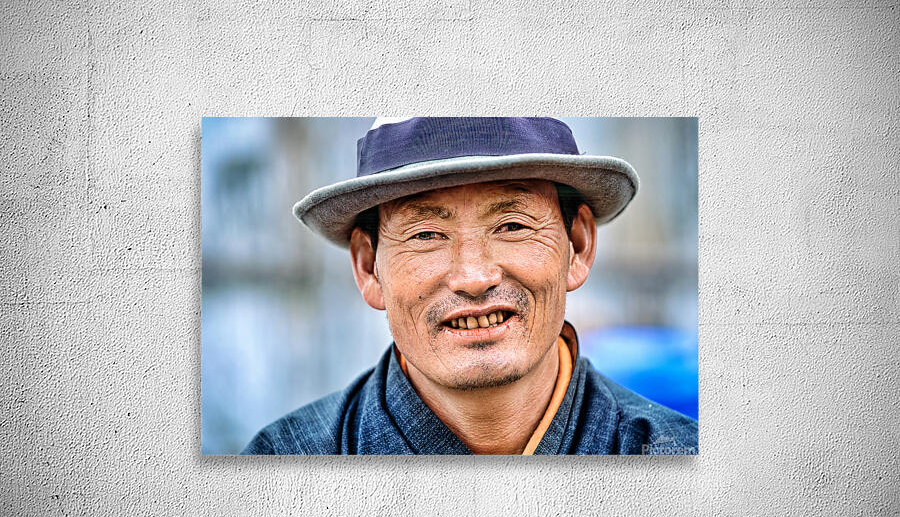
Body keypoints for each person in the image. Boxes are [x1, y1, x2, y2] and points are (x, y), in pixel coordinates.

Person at [242, 117, 698, 455]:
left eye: (512, 225)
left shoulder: (676, 457)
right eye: (425, 235)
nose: (474, 277)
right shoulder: (283, 462)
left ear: (577, 247)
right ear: (368, 268)